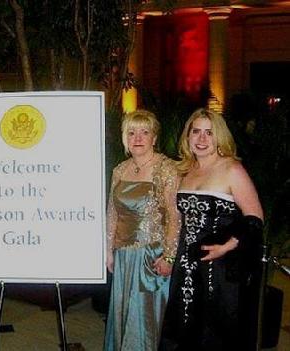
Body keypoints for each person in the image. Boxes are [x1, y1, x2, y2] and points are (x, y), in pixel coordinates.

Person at [159, 108, 264, 351]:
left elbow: (255, 217)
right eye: (196, 132)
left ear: (219, 137)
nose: (202, 139)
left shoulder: (232, 169)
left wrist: (226, 246)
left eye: (209, 132)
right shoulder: (185, 170)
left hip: (221, 266)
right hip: (186, 264)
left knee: (216, 329)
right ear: (188, 136)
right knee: (183, 327)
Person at [104, 110, 180, 351]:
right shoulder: (120, 169)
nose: (138, 137)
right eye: (132, 132)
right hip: (124, 256)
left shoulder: (166, 169)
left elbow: (174, 216)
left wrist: (169, 256)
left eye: (144, 132)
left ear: (154, 138)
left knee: (145, 321)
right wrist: (108, 250)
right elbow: (112, 212)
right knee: (123, 315)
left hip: (151, 257)